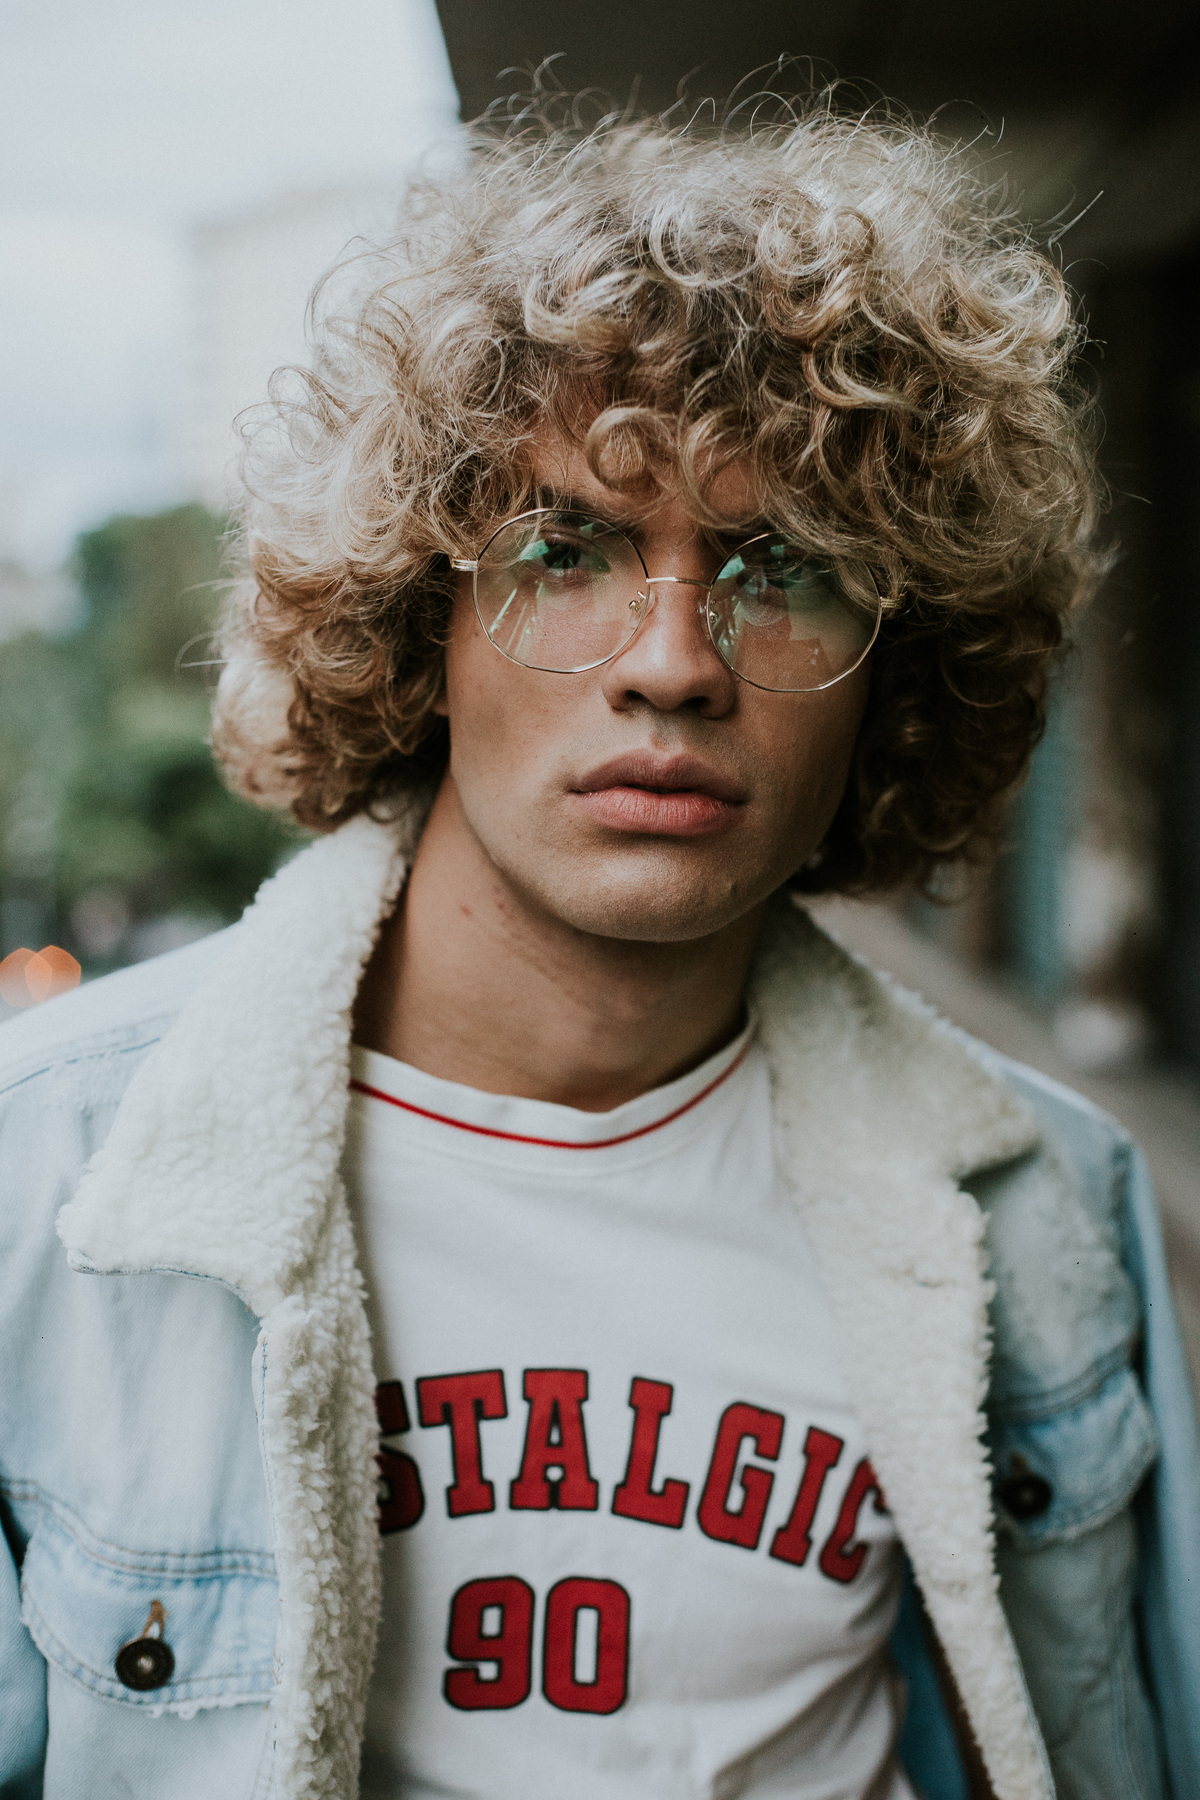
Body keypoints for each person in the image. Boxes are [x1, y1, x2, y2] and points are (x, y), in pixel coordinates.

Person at [2, 91, 1198, 1800]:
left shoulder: (1047, 1209)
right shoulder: (40, 1190)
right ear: (420, 625)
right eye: (565, 550)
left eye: (783, 565)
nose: (673, 662)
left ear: (898, 668)